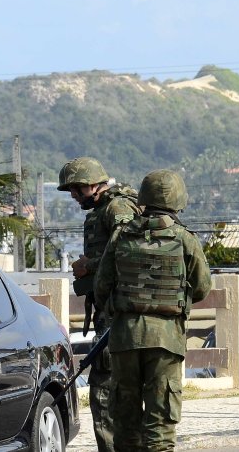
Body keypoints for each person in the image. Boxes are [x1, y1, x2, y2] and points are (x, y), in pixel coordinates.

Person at [94, 169, 211, 452]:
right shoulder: (185, 239)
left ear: (143, 198)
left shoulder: (121, 236)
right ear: (179, 200)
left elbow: (101, 286)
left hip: (124, 339)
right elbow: (203, 287)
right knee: (159, 425)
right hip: (167, 341)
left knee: (125, 422)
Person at [57, 155, 140, 452]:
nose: (73, 196)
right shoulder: (108, 208)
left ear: (92, 185)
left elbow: (127, 252)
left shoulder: (116, 208)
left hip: (118, 311)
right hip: (113, 310)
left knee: (103, 388)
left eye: (75, 190)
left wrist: (88, 266)